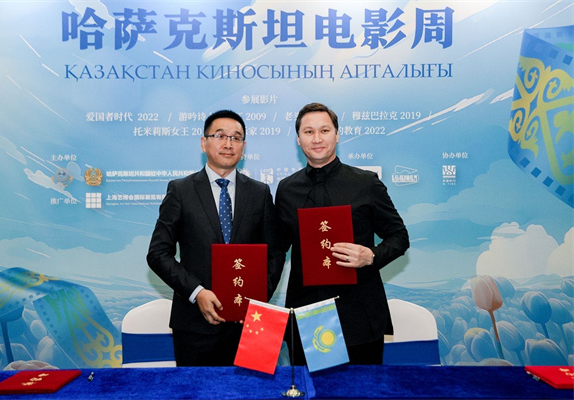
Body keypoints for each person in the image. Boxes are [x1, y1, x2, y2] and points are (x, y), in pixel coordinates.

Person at [273, 102, 409, 365]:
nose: (317, 138)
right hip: (307, 314)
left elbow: (399, 236)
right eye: (308, 132)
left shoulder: (366, 182)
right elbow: (277, 248)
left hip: (360, 313)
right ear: (298, 139)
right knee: (310, 387)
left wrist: (372, 256)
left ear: (337, 135)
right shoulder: (287, 189)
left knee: (361, 387)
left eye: (324, 130)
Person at [147, 110, 280, 366]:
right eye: (220, 136)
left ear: (243, 147)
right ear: (203, 142)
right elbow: (157, 254)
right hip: (195, 326)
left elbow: (274, 252)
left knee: (250, 389)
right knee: (197, 388)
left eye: (236, 138)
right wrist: (196, 292)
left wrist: (257, 298)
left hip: (249, 324)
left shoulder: (260, 193)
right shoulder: (181, 191)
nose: (228, 143)